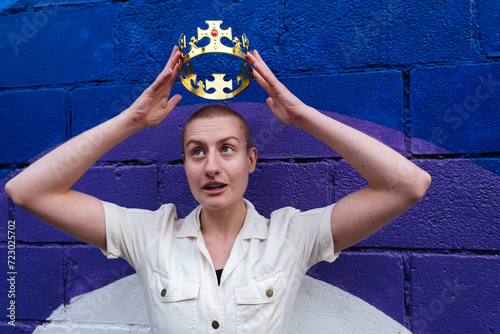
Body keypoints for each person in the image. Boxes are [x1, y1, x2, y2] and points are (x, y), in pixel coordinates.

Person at [5, 46, 431, 333]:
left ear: (251, 161)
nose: (212, 167)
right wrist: (132, 120)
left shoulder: (292, 236)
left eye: (227, 150)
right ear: (185, 164)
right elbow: (28, 191)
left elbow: (408, 185)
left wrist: (302, 116)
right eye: (196, 152)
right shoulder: (150, 235)